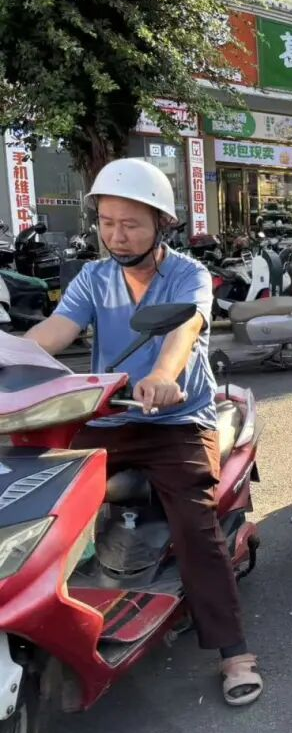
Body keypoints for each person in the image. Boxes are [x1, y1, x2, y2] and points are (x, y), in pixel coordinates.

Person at [26, 158, 263, 705]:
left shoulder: (188, 275)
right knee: (37, 494)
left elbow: (185, 329)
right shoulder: (94, 277)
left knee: (196, 527)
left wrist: (162, 376)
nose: (116, 235)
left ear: (162, 224)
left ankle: (233, 652)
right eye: (107, 222)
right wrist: (12, 353)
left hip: (176, 421)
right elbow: (56, 330)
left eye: (130, 224)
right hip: (109, 416)